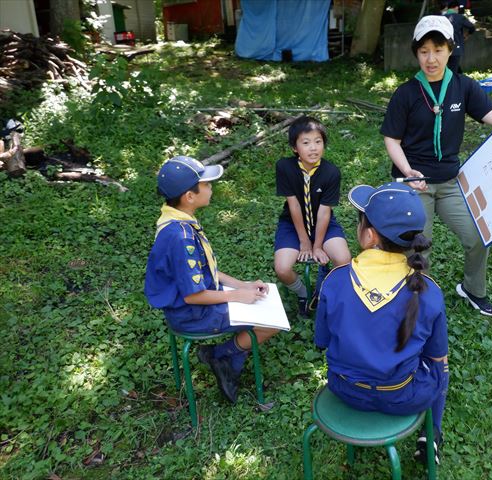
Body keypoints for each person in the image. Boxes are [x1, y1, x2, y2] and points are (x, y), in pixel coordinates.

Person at [380, 15, 492, 316]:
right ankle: (416, 299)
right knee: (421, 244)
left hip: (450, 183)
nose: (431, 58)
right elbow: (391, 140)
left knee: (478, 237)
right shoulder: (406, 93)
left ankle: (473, 289)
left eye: (438, 49)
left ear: (451, 49)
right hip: (414, 184)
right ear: (417, 54)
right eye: (424, 51)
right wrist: (408, 171)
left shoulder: (462, 86)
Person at [315, 182, 449, 464]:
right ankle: (431, 435)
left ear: (369, 235)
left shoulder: (335, 280)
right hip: (403, 396)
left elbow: (322, 341)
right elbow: (437, 357)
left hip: (345, 390)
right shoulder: (429, 290)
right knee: (440, 366)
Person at [144, 156, 278, 404]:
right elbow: (193, 295)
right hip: (193, 314)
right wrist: (237, 296)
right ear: (189, 196)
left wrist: (242, 285)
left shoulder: (177, 221)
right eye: (206, 184)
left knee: (264, 304)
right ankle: (222, 355)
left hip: (198, 303)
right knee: (271, 322)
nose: (211, 187)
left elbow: (204, 273)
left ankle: (224, 358)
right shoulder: (180, 236)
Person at [273, 116, 351, 316]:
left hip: (323, 224)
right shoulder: (285, 167)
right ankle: (303, 293)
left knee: (344, 259)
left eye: (318, 141)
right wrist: (304, 242)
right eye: (306, 143)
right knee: (282, 269)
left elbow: (325, 211)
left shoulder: (331, 172)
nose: (313, 148)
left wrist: (317, 245)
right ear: (294, 147)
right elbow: (294, 205)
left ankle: (328, 293)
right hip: (292, 223)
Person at [443, 0, 475, 74]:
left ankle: (461, 80)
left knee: (452, 67)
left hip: (443, 47)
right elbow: (472, 27)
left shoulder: (442, 18)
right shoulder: (460, 17)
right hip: (456, 47)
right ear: (456, 7)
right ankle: (453, 84)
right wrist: (467, 35)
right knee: (453, 69)